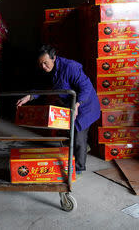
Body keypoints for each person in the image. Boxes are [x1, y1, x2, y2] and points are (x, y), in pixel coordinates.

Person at [16, 44, 101, 175]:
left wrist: (77, 104)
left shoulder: (70, 67)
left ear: (54, 57)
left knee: (78, 135)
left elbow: (86, 87)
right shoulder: (48, 70)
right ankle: (83, 149)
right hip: (70, 102)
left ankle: (78, 169)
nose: (43, 67)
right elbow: (44, 88)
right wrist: (30, 96)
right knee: (69, 132)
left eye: (45, 63)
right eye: (40, 64)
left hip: (85, 104)